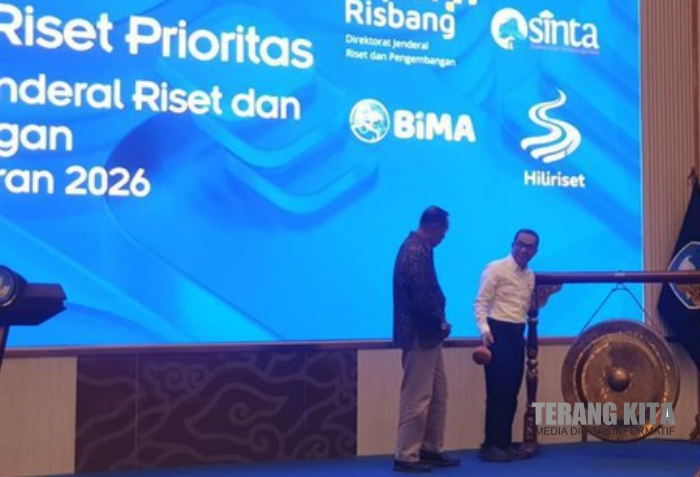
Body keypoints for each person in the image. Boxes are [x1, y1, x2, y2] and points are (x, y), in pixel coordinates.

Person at [392, 206, 460, 473]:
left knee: (438, 395)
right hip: (419, 334)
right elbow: (422, 298)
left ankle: (430, 448)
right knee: (417, 397)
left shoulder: (421, 249)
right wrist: (440, 322)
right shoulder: (414, 252)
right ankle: (406, 455)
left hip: (429, 335)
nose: (444, 236)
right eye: (444, 231)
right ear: (434, 226)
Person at [473, 229, 539, 462]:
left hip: (517, 334)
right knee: (497, 392)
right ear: (513, 245)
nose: (524, 249)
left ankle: (504, 442)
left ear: (535, 251)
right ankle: (489, 445)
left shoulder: (530, 276)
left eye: (529, 246)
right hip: (497, 333)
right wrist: (485, 330)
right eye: (520, 244)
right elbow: (480, 303)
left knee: (512, 391)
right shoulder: (495, 268)